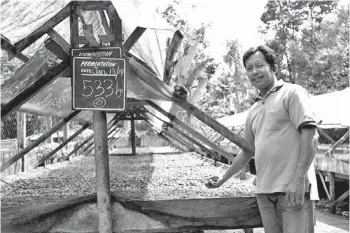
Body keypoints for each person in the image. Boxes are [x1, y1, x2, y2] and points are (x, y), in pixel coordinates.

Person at [206, 45, 319, 233]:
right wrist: (222, 178)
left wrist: (298, 180)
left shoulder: (292, 93)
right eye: (249, 68)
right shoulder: (254, 109)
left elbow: (310, 135)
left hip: (292, 189)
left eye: (259, 66)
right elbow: (247, 150)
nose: (254, 72)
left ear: (273, 67)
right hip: (265, 192)